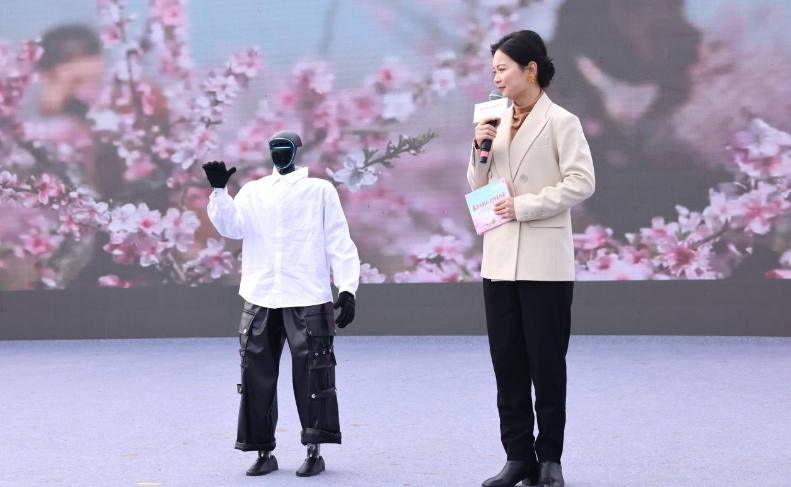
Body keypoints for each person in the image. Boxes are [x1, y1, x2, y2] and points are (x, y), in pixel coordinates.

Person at [468, 30, 595, 487]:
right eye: (494, 71)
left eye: (503, 68)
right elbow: (477, 185)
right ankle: (517, 457)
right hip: (499, 262)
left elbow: (582, 182)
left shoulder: (562, 121)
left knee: (547, 365)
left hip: (545, 263)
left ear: (531, 69)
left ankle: (550, 460)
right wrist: (480, 149)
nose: (496, 78)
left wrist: (524, 206)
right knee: (507, 364)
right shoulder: (491, 120)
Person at [203, 130, 360, 477]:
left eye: (284, 147)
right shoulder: (253, 191)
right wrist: (219, 192)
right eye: (273, 147)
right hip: (260, 294)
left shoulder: (320, 190)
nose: (279, 152)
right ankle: (263, 451)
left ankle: (314, 451)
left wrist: (348, 287)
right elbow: (232, 228)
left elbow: (338, 239)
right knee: (254, 376)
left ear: (296, 150)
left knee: (314, 375)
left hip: (307, 294)